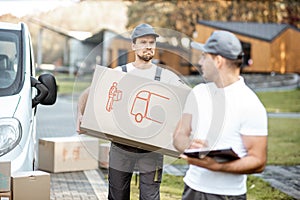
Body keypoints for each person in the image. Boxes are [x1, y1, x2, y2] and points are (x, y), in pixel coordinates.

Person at [76, 23, 186, 200]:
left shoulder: (166, 77)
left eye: (152, 42)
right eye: (143, 42)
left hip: (152, 150)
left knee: (150, 197)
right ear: (133, 45)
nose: (148, 46)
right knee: (117, 195)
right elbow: (88, 93)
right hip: (121, 148)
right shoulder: (121, 72)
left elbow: (187, 100)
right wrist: (80, 115)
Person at [173, 30, 268, 199]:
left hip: (228, 196)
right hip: (192, 189)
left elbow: (258, 161)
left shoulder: (251, 105)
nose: (200, 62)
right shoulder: (198, 92)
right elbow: (179, 135)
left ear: (218, 61)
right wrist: (188, 145)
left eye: (204, 56)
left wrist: (217, 166)